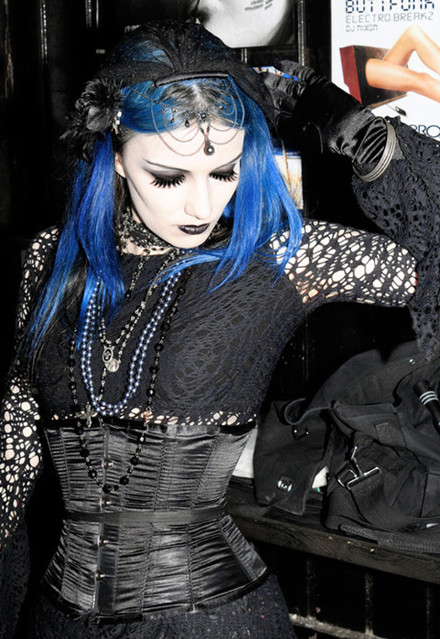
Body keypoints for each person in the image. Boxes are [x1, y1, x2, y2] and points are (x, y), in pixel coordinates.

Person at [0, 18, 438, 639]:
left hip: (212, 622)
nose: (202, 206)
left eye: (225, 172)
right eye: (168, 177)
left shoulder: (283, 260)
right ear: (115, 156)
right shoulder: (50, 261)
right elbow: (17, 431)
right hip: (57, 622)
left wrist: (357, 131)